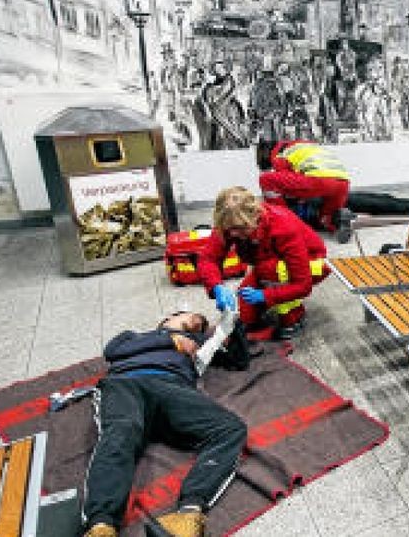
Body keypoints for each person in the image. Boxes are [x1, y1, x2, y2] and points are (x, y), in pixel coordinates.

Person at [82, 310, 247, 537]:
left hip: (173, 388)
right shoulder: (134, 336)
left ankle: (187, 517)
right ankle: (101, 525)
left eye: (199, 326)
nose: (194, 326)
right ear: (168, 318)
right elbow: (113, 351)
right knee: (122, 430)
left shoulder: (197, 342)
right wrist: (167, 339)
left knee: (230, 428)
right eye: (190, 319)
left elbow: (238, 361)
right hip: (126, 383)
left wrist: (234, 325)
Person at [197, 187, 329, 340]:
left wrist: (266, 295)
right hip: (270, 264)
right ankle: (270, 302)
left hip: (313, 263)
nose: (233, 234)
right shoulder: (230, 223)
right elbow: (208, 258)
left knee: (268, 271)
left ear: (255, 216)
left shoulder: (283, 227)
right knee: (246, 309)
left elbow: (303, 285)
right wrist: (216, 286)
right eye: (229, 229)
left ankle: (294, 317)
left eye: (239, 229)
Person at [256, 139, 353, 241]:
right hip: (343, 183)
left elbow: (287, 185)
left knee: (266, 179)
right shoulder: (306, 146)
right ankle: (338, 219)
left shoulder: (281, 155)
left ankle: (281, 220)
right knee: (325, 216)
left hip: (318, 180)